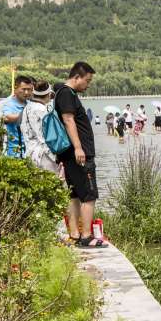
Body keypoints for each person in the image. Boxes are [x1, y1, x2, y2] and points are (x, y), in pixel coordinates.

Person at [54, 62, 105, 248]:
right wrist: (78, 147)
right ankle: (86, 236)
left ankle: (75, 234)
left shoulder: (62, 93)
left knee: (74, 194)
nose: (88, 84)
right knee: (89, 195)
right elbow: (68, 120)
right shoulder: (67, 93)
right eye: (87, 80)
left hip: (69, 155)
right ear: (77, 77)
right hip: (78, 154)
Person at [21, 82, 58, 173]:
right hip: (44, 155)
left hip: (30, 153)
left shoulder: (27, 108)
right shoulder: (43, 110)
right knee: (52, 184)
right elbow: (47, 135)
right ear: (49, 94)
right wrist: (55, 157)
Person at [0, 75, 34, 158]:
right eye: (24, 89)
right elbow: (8, 117)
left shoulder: (30, 104)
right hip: (15, 151)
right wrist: (27, 113)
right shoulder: (9, 104)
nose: (26, 93)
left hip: (30, 149)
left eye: (29, 90)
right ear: (16, 88)